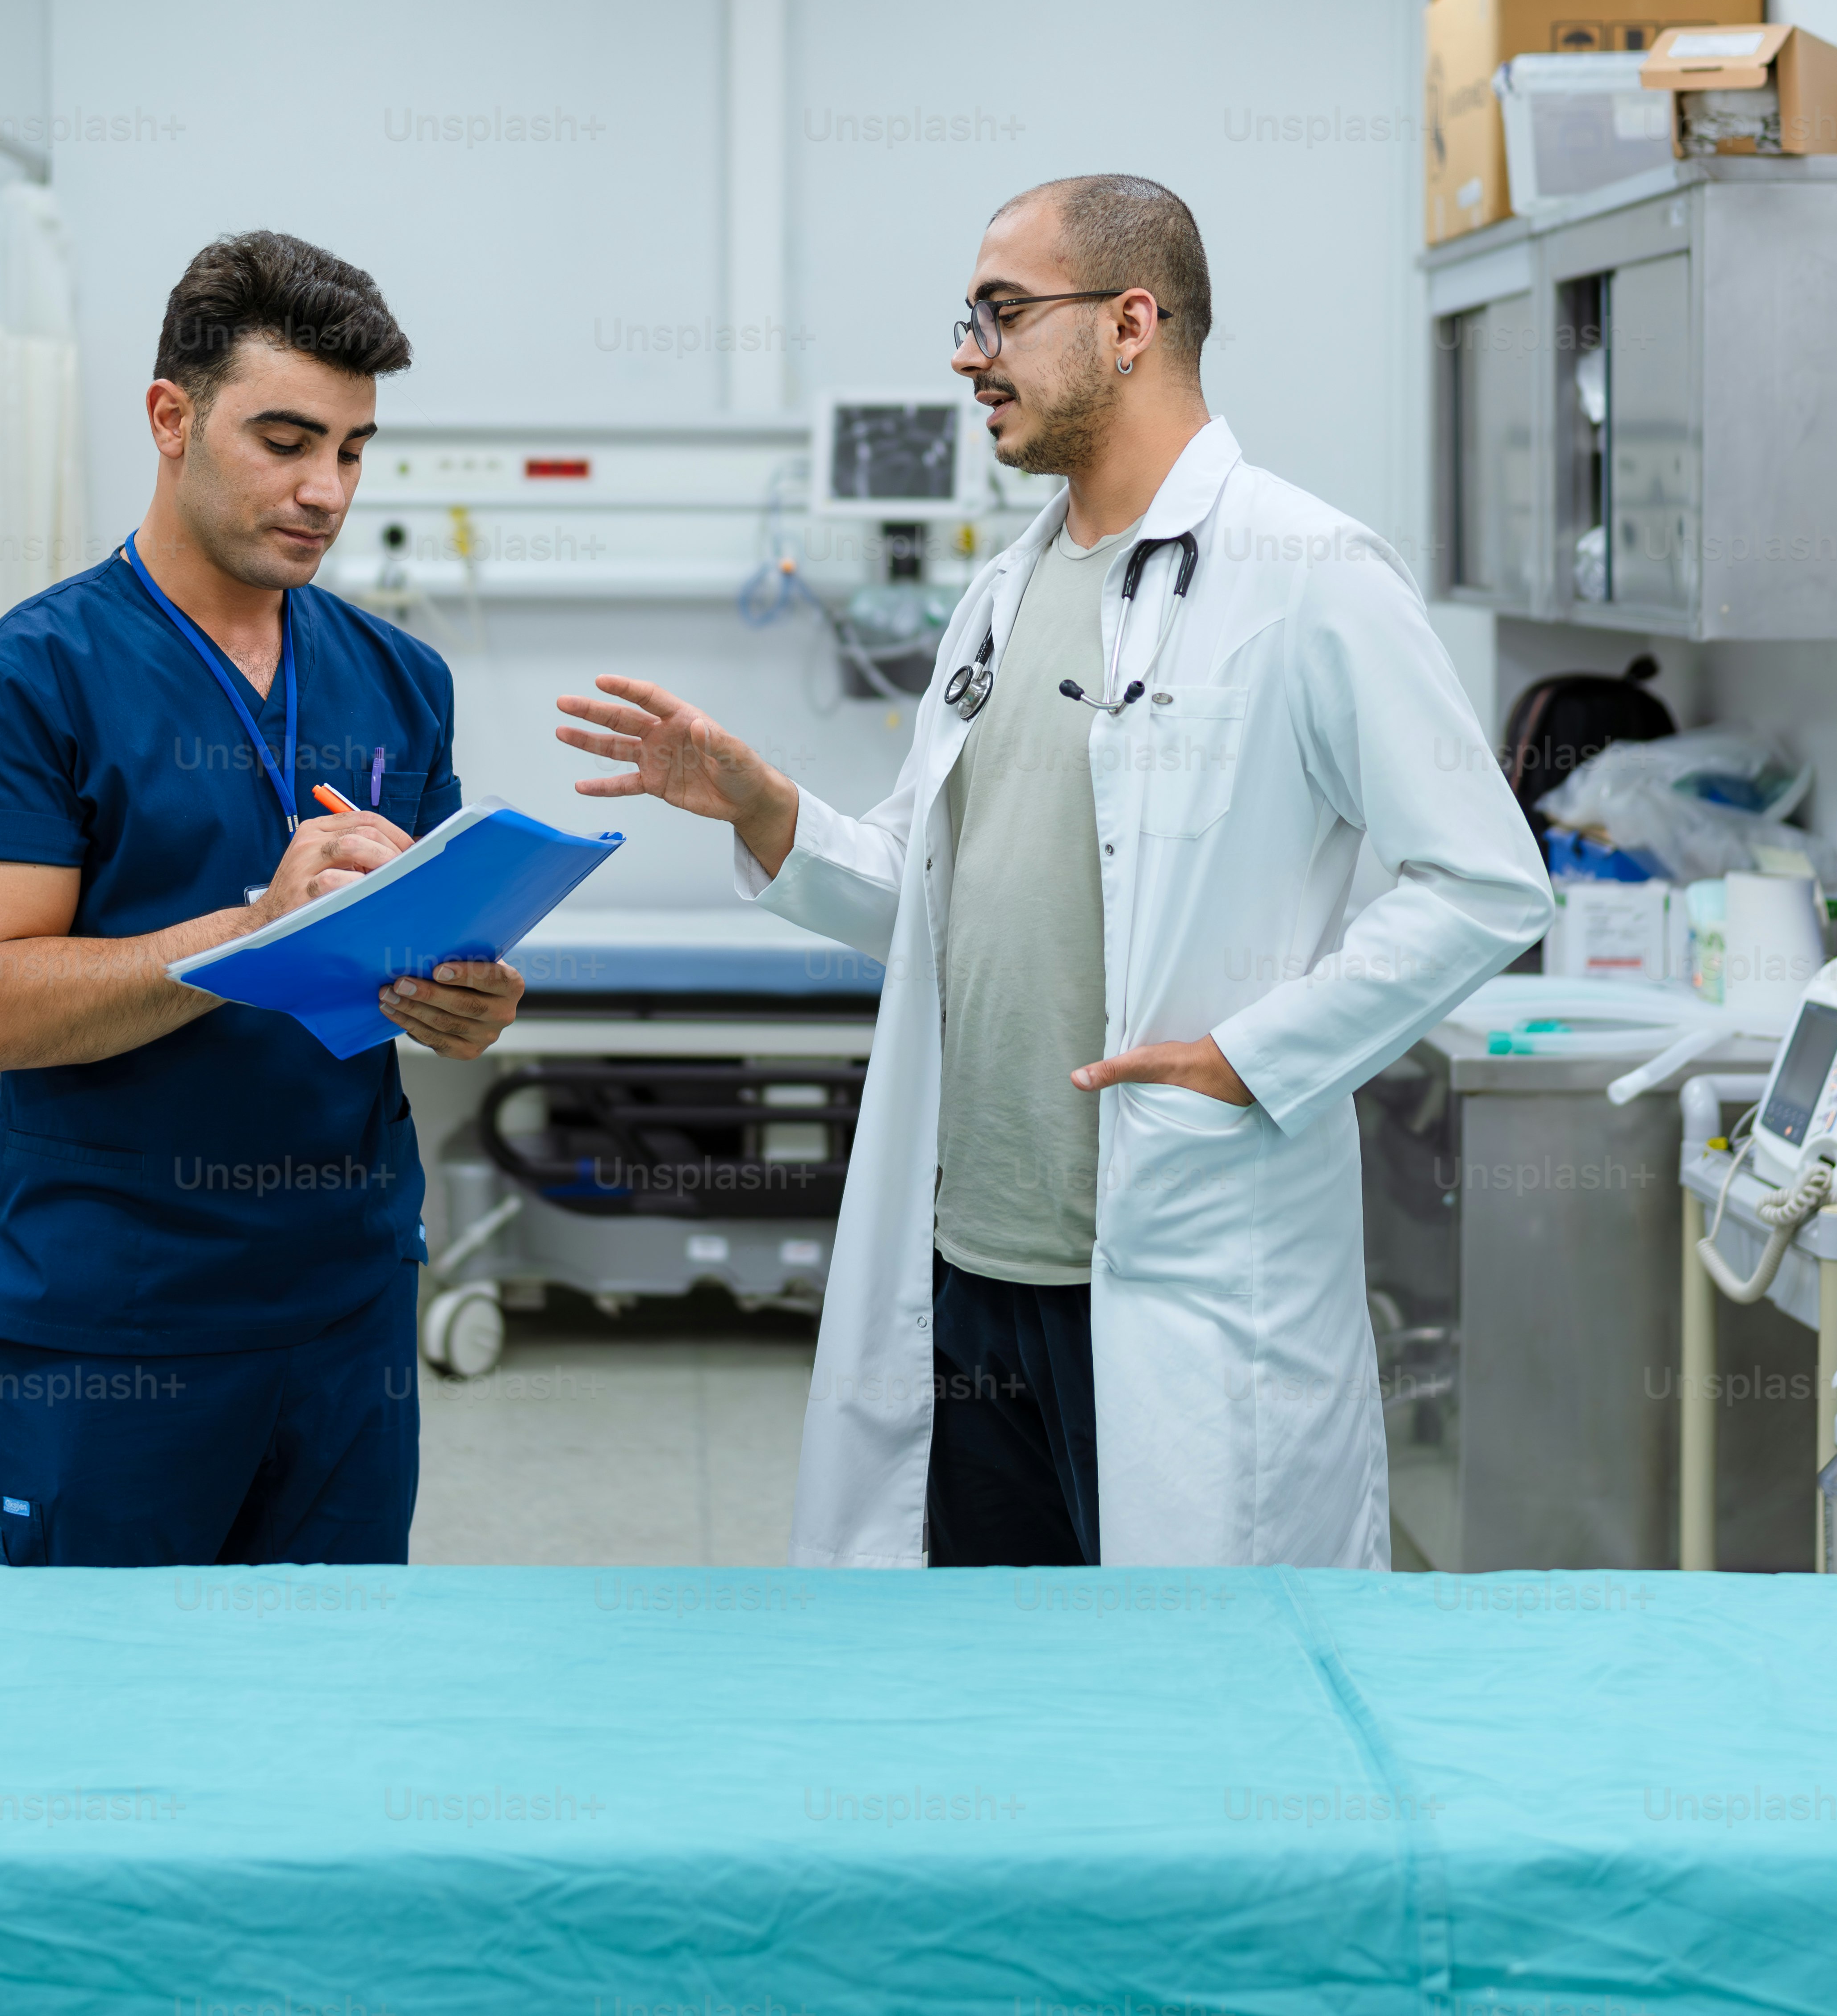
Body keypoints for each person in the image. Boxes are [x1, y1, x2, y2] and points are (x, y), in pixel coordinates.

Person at [558, 175, 1548, 1568]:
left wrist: (1253, 1055)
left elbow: (1486, 881)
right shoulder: (1000, 596)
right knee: (994, 1676)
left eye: (1003, 314)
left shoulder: (1309, 572)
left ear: (1130, 323)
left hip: (1179, 1271)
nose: (968, 354)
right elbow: (934, 897)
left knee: (1180, 1679)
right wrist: (771, 812)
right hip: (971, 1274)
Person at [0, 230, 525, 1567]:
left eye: (352, 450)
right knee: (115, 1697)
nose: (325, 491)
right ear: (170, 419)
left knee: (329, 1683)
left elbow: (406, 966)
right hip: (119, 1321)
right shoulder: (25, 682)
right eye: (285, 441)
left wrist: (464, 1002)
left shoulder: (400, 680)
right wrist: (255, 929)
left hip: (349, 1303)